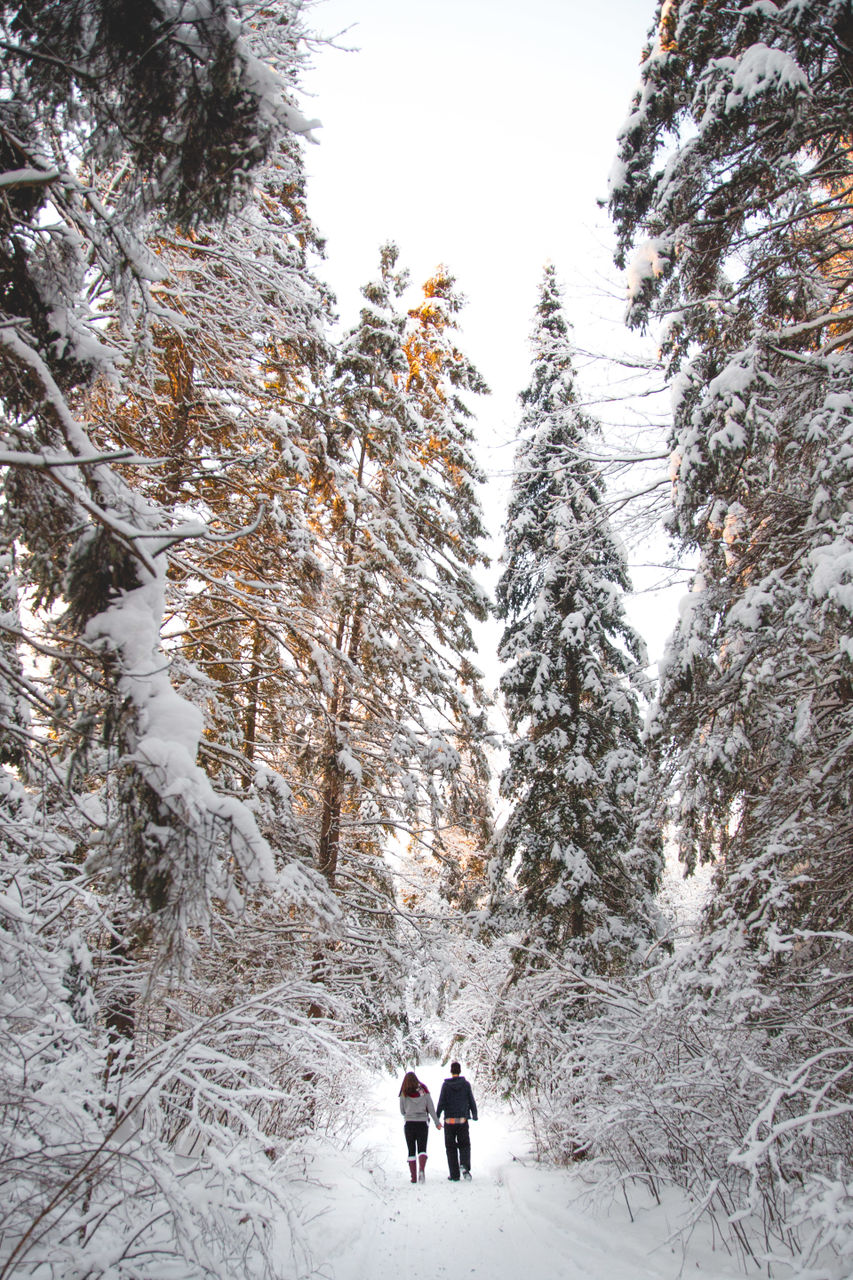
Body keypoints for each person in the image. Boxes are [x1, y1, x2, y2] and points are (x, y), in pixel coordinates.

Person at [436, 1061, 478, 1182]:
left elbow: (441, 1102)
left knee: (450, 1147)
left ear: (451, 1071)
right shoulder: (466, 1085)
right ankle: (464, 1166)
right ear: (459, 1071)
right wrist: (474, 1114)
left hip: (449, 1121)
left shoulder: (445, 1086)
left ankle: (454, 1174)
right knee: (464, 1144)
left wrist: (437, 1117)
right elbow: (471, 1100)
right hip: (462, 1120)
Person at [398, 1070, 441, 1183]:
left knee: (411, 1150)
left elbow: (402, 1111)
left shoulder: (404, 1092)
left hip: (409, 1124)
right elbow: (431, 1108)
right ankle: (421, 1169)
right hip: (422, 1123)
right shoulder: (423, 1090)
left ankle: (413, 1177)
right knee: (422, 1149)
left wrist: (409, 1112)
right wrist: (437, 1122)